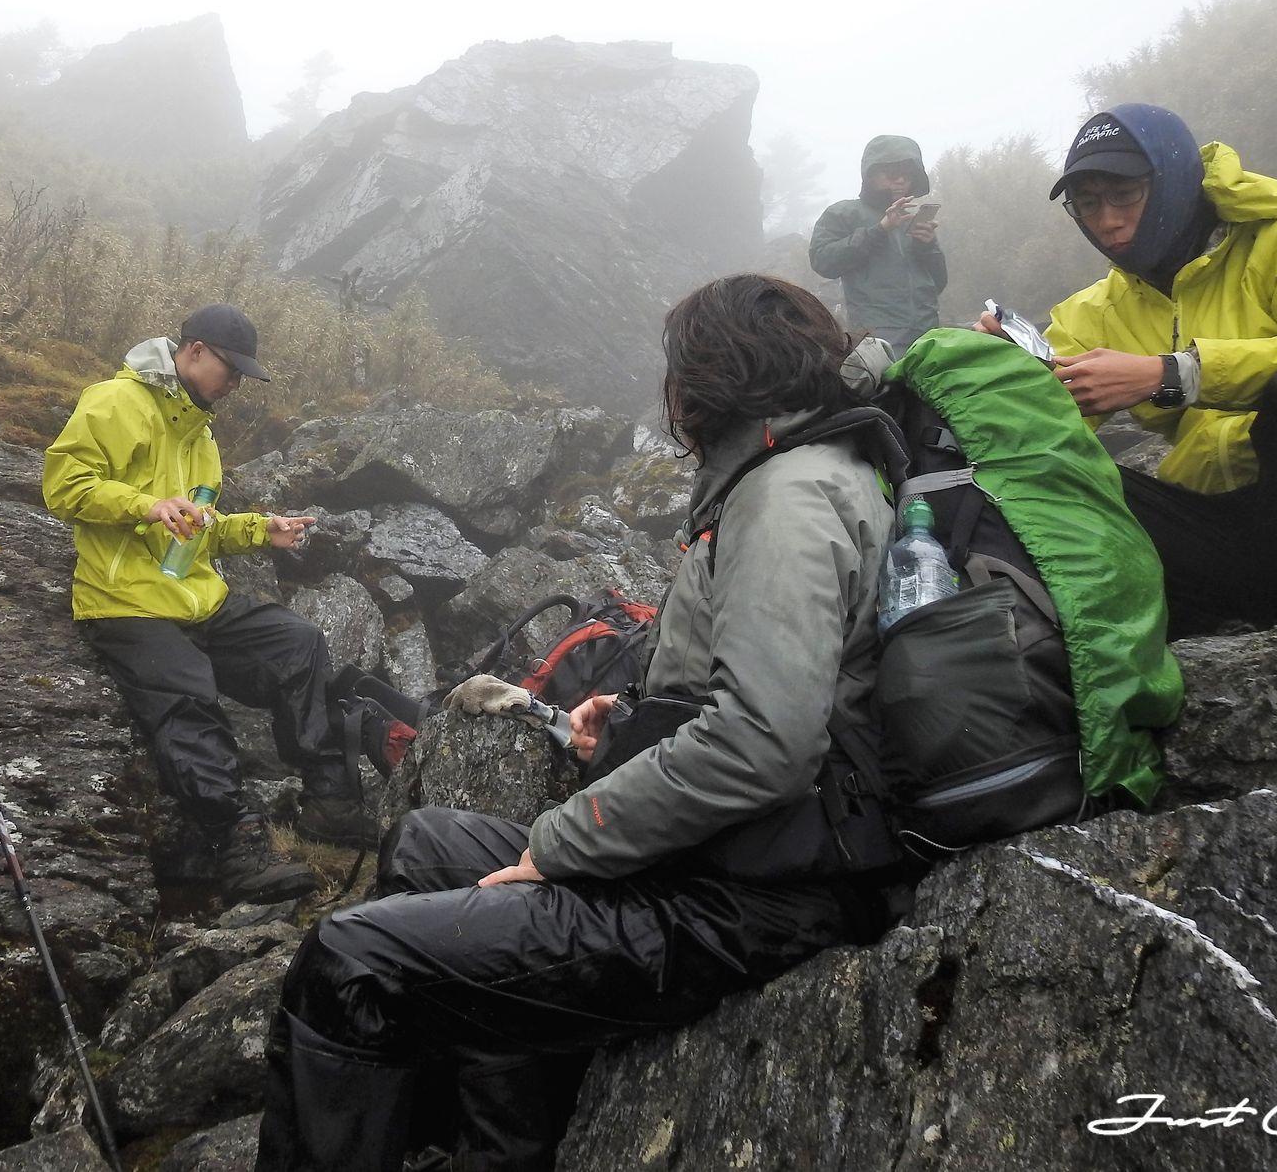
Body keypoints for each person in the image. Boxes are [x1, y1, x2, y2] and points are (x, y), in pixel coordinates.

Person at [255, 275, 907, 1172]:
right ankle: (496, 1151)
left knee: (348, 959)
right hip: (742, 857)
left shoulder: (786, 498)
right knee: (425, 842)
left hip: (747, 903)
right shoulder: (806, 473)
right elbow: (780, 690)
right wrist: (635, 727)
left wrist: (563, 842)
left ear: (710, 379)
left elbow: (766, 742)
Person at [982, 103, 1277, 634]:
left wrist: (1174, 374)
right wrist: (994, 368)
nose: (1107, 221)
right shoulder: (1094, 311)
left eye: (1125, 195)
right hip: (1224, 531)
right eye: (1087, 204)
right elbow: (1037, 423)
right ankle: (1194, 636)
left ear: (1174, 180)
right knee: (1026, 488)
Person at [41, 303, 371, 905]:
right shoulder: (114, 403)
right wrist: (143, 505)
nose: (237, 383)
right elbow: (64, 485)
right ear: (193, 351)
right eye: (232, 368)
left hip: (197, 600)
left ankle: (329, 802)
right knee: (191, 694)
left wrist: (256, 530)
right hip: (126, 603)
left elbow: (201, 525)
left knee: (298, 643)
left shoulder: (200, 431)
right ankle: (235, 840)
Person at [808, 134, 948, 351]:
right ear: (870, 174)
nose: (901, 180)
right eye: (892, 173)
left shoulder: (910, 219)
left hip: (927, 333)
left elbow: (938, 283)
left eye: (907, 175)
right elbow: (823, 260)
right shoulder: (844, 213)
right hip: (877, 336)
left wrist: (927, 247)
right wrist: (880, 230)